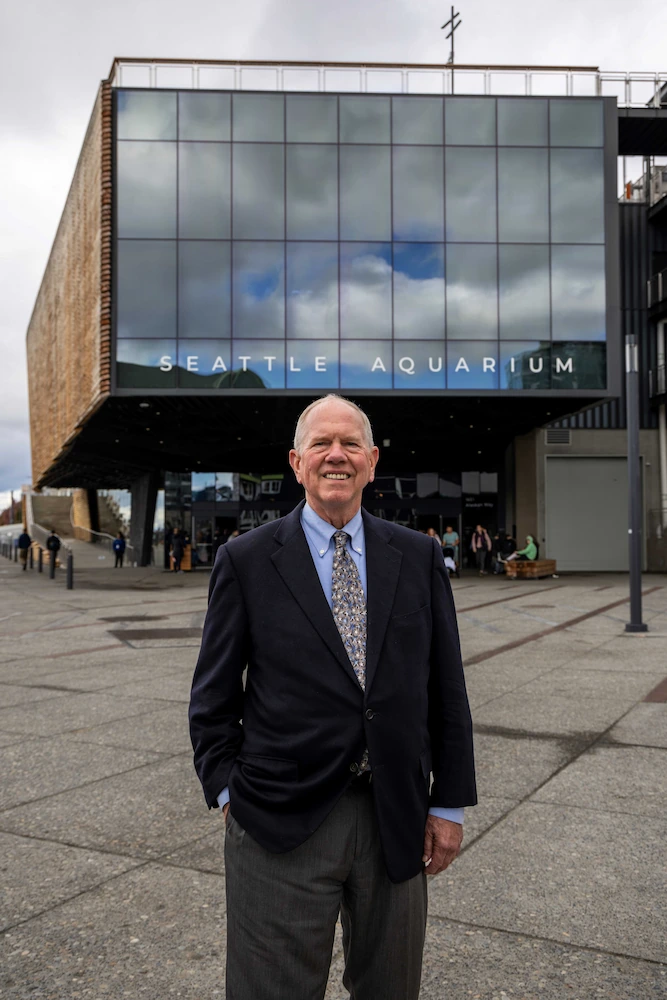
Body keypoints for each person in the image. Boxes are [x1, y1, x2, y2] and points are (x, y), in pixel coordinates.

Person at [189, 394, 476, 1000]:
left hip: (395, 816)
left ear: (372, 461)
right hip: (278, 820)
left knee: (391, 988)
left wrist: (448, 804)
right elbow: (212, 698)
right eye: (321, 443)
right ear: (296, 462)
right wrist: (228, 791)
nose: (336, 456)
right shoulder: (244, 560)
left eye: (350, 444)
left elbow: (445, 689)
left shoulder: (420, 556)